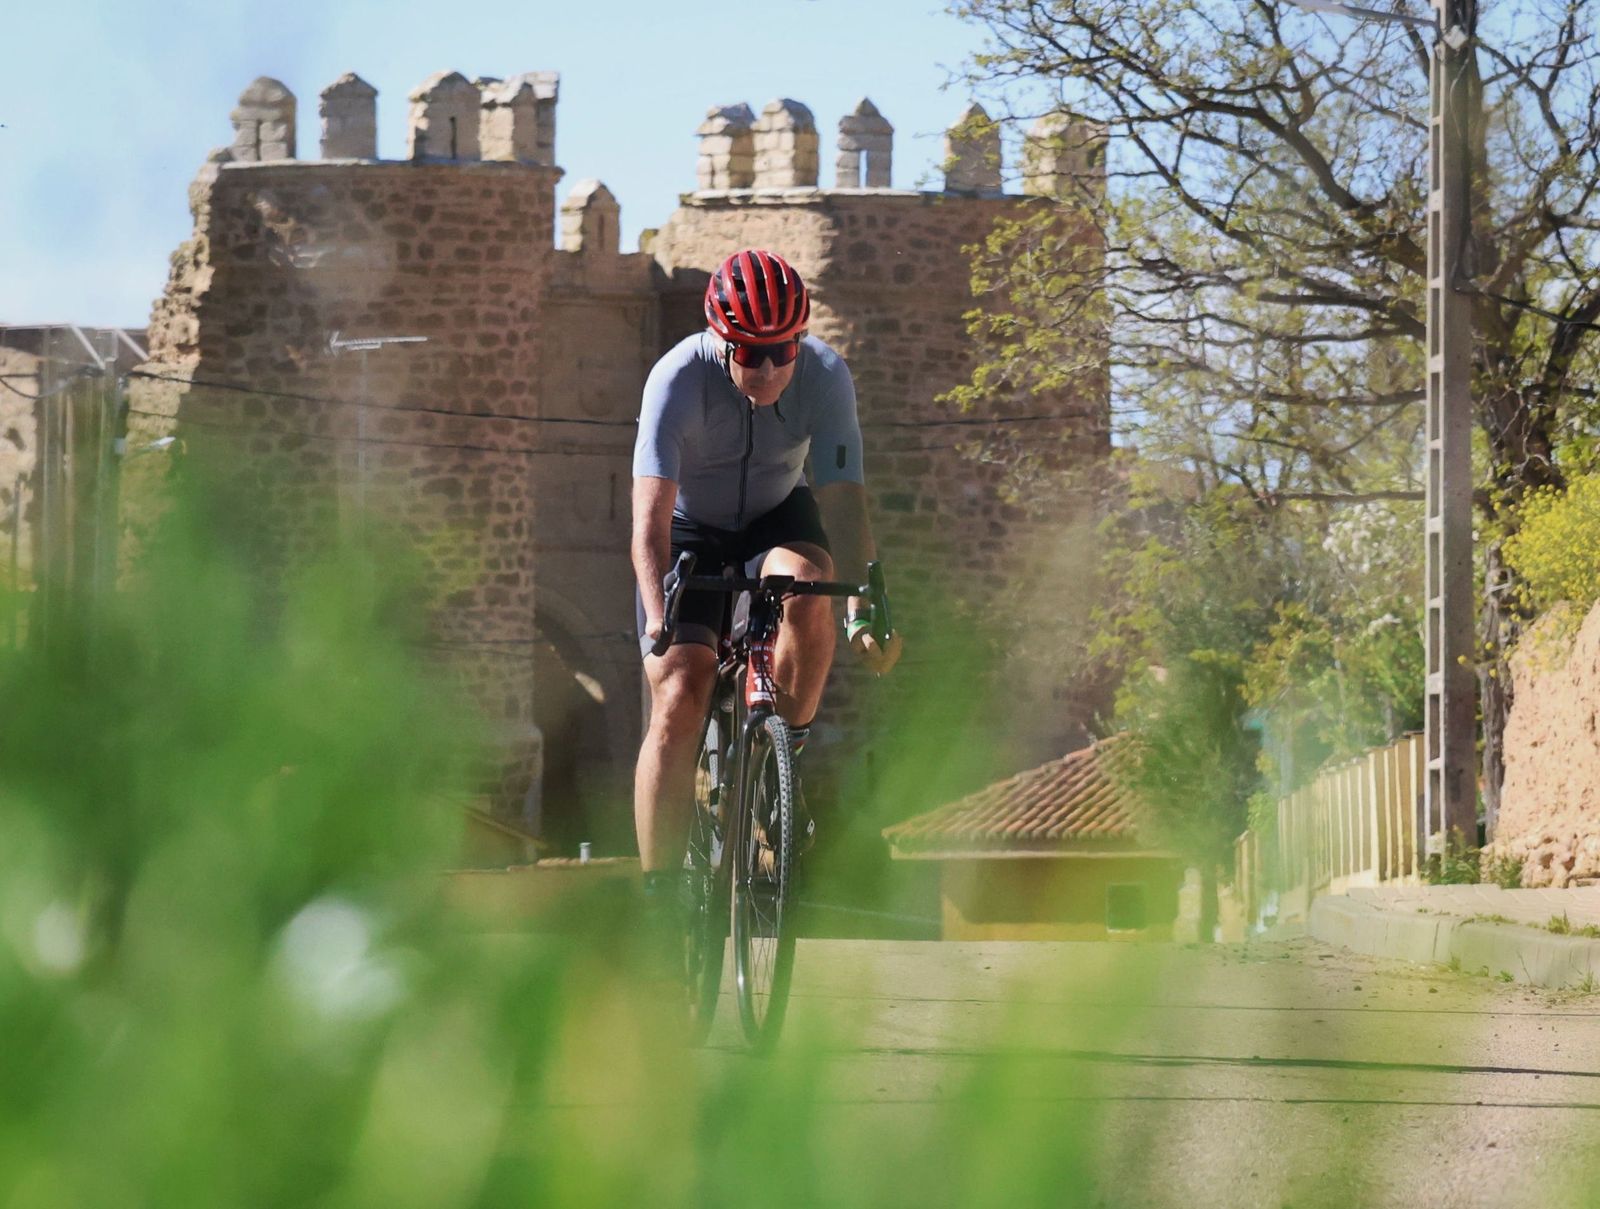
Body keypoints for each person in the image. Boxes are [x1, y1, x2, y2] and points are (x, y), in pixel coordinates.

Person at [631, 247, 902, 911]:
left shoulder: (825, 376)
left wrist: (869, 606)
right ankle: (660, 894)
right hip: (692, 531)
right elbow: (649, 523)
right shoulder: (677, 379)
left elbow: (842, 499)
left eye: (784, 349)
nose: (771, 366)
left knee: (811, 582)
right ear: (722, 342)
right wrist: (659, 618)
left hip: (778, 517)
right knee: (680, 692)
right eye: (752, 353)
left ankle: (784, 761)